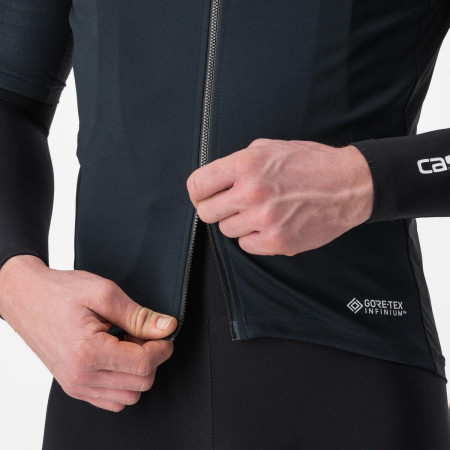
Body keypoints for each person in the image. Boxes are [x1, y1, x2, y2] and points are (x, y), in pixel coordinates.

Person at [0, 1, 450, 448]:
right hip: (106, 384)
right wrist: (15, 281)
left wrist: (363, 179)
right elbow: (10, 100)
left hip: (353, 379)